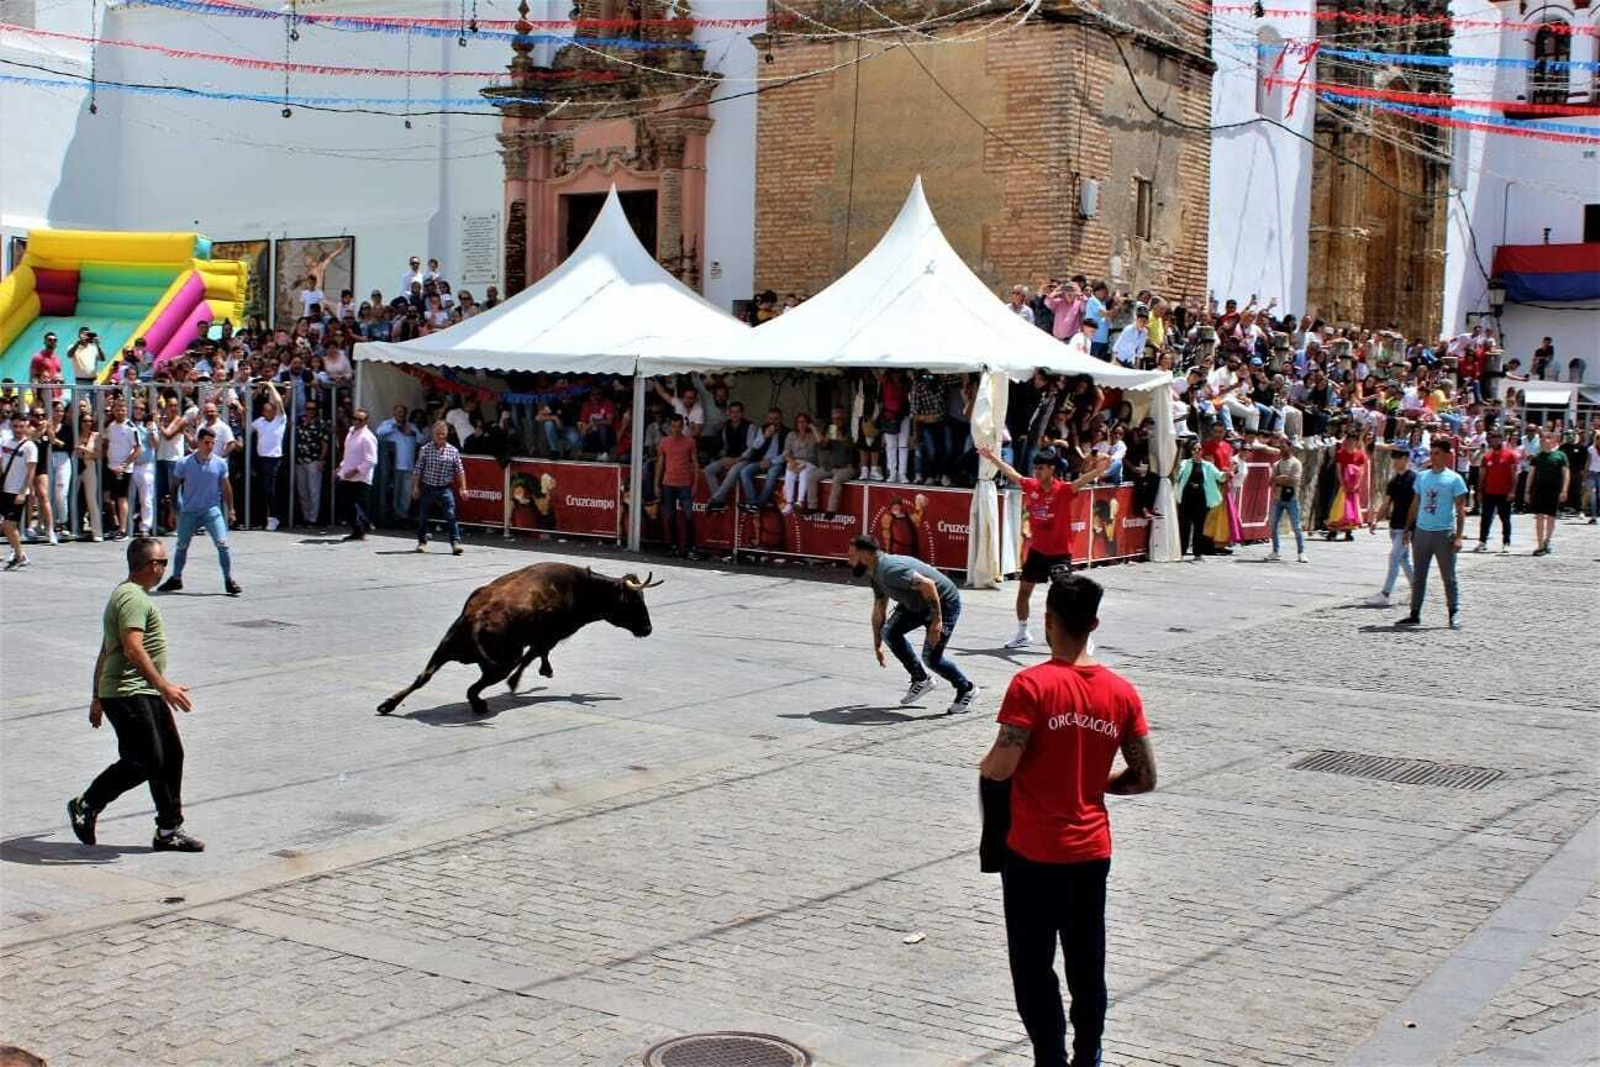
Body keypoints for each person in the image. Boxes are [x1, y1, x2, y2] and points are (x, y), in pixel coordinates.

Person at [979, 573, 1155, 1067]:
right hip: (1090, 852)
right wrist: (1097, 785)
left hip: (1031, 854)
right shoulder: (1121, 694)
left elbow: (1002, 764)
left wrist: (984, 767)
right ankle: (1088, 1054)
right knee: (1086, 964)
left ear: (1048, 620)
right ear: (1094, 623)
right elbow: (1145, 777)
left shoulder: (1030, 684)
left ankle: (1050, 1057)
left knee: (1033, 968)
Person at [67, 536, 204, 852]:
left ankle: (169, 830)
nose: (163, 569)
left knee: (170, 757)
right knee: (144, 760)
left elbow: (106, 650)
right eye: (163, 563)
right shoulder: (133, 599)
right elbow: (131, 649)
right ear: (152, 566)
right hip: (130, 693)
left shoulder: (127, 594)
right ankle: (85, 804)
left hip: (137, 691)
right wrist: (164, 686)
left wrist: (96, 697)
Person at [977, 444, 1108, 649]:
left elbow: (1082, 481)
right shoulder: (1032, 486)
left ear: (1052, 469)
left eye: (1041, 468)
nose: (1037, 472)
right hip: (1037, 552)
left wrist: (1100, 470)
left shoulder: (1063, 490)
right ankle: (1022, 632)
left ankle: (1083, 635)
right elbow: (1011, 473)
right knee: (1023, 592)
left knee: (1067, 597)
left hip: (1059, 554)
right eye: (1035, 468)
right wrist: (992, 458)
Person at [846, 534, 978, 715]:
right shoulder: (875, 573)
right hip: (916, 604)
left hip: (944, 603)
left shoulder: (889, 569)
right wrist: (877, 643)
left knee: (932, 658)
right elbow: (879, 607)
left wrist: (936, 621)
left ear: (865, 555)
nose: (849, 561)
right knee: (889, 632)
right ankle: (921, 679)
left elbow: (929, 585)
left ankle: (967, 689)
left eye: (852, 556)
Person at [1398, 439, 1466, 629]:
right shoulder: (1422, 477)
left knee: (1448, 576)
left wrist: (1459, 536)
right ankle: (1415, 613)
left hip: (1443, 533)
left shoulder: (1455, 479)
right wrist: (1407, 528)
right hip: (1422, 531)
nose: (1433, 457)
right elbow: (1415, 503)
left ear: (1446, 456)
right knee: (1419, 576)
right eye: (1432, 453)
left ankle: (1453, 613)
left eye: (1437, 453)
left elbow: (1460, 509)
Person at [1364, 447, 1415, 607]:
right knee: (1403, 560)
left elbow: (1417, 504)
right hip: (1394, 525)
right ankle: (1417, 590)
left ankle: (1385, 594)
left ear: (1406, 458)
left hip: (1406, 527)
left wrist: (1411, 527)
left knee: (1394, 558)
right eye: (1394, 458)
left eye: (1398, 457)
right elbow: (1386, 503)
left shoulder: (1415, 479)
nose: (1395, 461)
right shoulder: (1393, 481)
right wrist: (1376, 520)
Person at [413, 421, 465, 555]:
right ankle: (422, 542)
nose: (440, 437)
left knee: (451, 515)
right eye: (438, 434)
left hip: (444, 488)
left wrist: (463, 488)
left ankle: (455, 543)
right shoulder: (425, 450)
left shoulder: (453, 451)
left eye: (443, 434)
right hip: (428, 486)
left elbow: (459, 470)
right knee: (423, 515)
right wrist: (416, 487)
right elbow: (418, 470)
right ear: (432, 434)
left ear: (446, 434)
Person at [655, 412, 699, 559]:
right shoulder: (664, 442)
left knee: (688, 516)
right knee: (671, 516)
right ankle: (673, 546)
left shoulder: (690, 442)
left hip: (685, 483)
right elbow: (660, 463)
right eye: (674, 426)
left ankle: (690, 547)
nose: (676, 429)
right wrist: (657, 484)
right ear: (670, 427)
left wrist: (695, 484)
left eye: (679, 427)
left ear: (682, 426)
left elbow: (695, 463)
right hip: (669, 483)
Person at [1, 414, 38, 571]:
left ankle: (21, 555)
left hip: (17, 492)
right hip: (5, 489)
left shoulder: (29, 446)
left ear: (26, 426)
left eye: (21, 426)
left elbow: (31, 472)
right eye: (15, 426)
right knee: (7, 526)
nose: (18, 429)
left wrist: (23, 492)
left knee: (9, 526)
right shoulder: (7, 442)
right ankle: (17, 554)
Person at [1264, 435, 1308, 563]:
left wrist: (1281, 479)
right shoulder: (1277, 464)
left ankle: (1301, 552)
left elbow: (1295, 481)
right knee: (1273, 524)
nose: (1281, 449)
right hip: (1278, 498)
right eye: (1280, 447)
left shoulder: (1296, 463)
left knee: (1296, 526)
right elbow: (1271, 480)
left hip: (1291, 498)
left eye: (1283, 446)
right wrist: (1282, 478)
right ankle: (1275, 551)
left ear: (1290, 447)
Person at [337, 408, 378, 542]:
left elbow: (371, 460)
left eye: (360, 420)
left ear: (366, 421)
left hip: (360, 477)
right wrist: (341, 467)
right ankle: (360, 528)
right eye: (355, 419)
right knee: (347, 503)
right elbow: (349, 454)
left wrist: (355, 471)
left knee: (351, 503)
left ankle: (362, 527)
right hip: (347, 474)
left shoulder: (367, 437)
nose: (356, 422)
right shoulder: (351, 432)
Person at [1474, 427, 1517, 553]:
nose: (1495, 442)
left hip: (1504, 492)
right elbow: (1482, 476)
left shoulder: (1510, 456)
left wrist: (1512, 491)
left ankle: (1506, 542)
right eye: (1492, 440)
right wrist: (1479, 491)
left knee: (1505, 518)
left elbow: (1514, 475)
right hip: (1489, 492)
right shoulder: (1486, 457)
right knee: (1485, 518)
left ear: (1501, 440)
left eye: (1497, 439)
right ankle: (1482, 541)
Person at [1527, 429, 1569, 556]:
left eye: (1547, 438)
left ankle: (1547, 541)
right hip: (1539, 490)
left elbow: (1566, 474)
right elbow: (1531, 474)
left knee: (1551, 516)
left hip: (1554, 491)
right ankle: (1540, 545)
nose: (1544, 440)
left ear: (1553, 440)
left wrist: (1564, 490)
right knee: (1539, 516)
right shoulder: (1537, 457)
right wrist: (1527, 491)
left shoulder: (1560, 455)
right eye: (1542, 438)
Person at [375, 405, 420, 519]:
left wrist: (413, 433)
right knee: (394, 492)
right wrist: (394, 426)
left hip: (409, 465)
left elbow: (423, 439)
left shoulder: (411, 425)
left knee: (406, 493)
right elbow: (379, 432)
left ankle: (403, 515)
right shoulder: (388, 423)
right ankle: (393, 515)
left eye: (403, 412)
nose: (401, 414)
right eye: (399, 412)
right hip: (394, 465)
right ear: (394, 412)